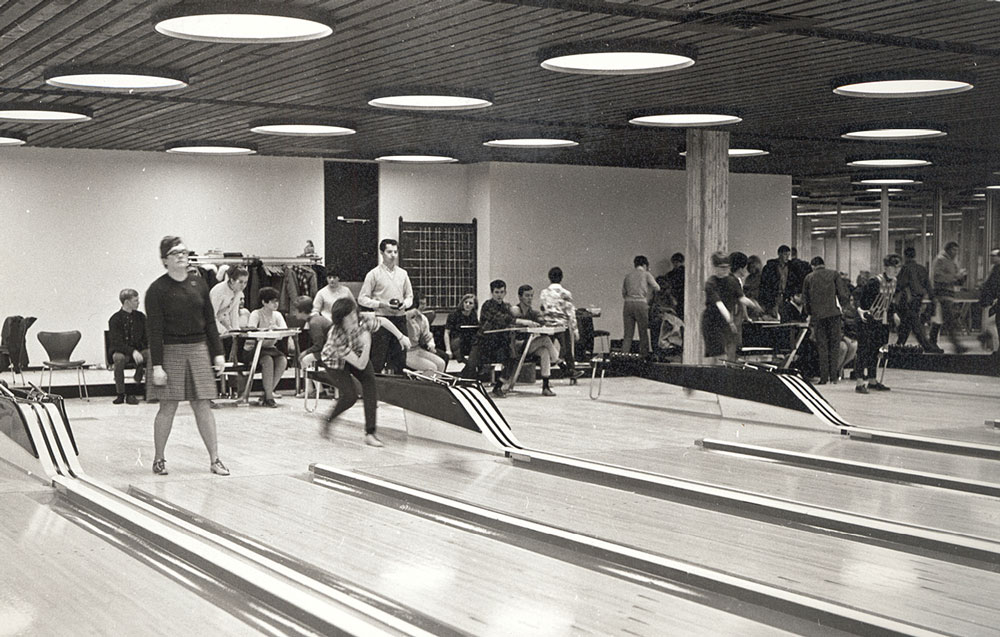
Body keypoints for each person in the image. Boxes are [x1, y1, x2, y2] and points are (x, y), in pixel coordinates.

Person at [145, 236, 229, 476]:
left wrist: (218, 354)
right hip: (170, 350)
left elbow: (210, 322)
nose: (181, 255)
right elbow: (154, 330)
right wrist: (157, 366)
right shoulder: (156, 290)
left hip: (198, 348)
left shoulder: (199, 284)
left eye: (183, 251)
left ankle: (215, 459)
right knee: (168, 406)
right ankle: (159, 459)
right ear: (165, 260)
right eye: (175, 253)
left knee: (202, 404)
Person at [319, 297, 410, 446]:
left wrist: (401, 337)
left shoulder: (362, 320)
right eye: (348, 317)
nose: (354, 318)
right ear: (340, 320)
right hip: (335, 363)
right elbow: (360, 365)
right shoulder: (336, 337)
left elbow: (384, 322)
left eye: (354, 313)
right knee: (350, 396)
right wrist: (367, 343)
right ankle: (327, 421)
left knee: (370, 388)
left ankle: (370, 433)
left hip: (357, 353)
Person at [462, 279, 536, 397]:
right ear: (492, 293)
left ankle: (498, 387)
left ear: (505, 292)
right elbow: (499, 318)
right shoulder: (487, 305)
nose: (499, 295)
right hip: (483, 343)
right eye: (497, 292)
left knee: (511, 358)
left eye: (502, 292)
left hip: (498, 344)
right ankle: (462, 388)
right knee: (471, 365)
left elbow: (510, 319)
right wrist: (520, 321)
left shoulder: (507, 307)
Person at [358, 239, 413, 374]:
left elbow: (410, 297)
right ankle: (375, 390)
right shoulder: (373, 274)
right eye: (389, 252)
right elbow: (362, 299)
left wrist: (404, 305)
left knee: (400, 358)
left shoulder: (403, 274)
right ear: (382, 253)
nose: (393, 255)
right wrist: (381, 304)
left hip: (400, 319)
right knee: (378, 358)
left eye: (395, 252)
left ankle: (398, 392)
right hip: (381, 320)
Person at [855, 254, 900, 394]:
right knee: (863, 350)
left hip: (881, 320)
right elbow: (863, 301)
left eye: (898, 267)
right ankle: (859, 382)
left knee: (875, 350)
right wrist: (865, 314)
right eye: (894, 267)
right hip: (867, 319)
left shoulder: (894, 282)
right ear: (887, 267)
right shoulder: (875, 282)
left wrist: (893, 313)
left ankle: (872, 380)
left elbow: (889, 300)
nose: (897, 270)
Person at [802, 256, 851, 385]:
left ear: (813, 266)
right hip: (834, 315)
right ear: (823, 264)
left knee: (822, 347)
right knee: (834, 345)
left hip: (818, 317)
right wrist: (842, 308)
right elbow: (843, 294)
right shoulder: (834, 274)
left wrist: (810, 313)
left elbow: (805, 300)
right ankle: (834, 377)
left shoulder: (809, 277)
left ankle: (824, 378)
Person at [243, 286, 289, 407]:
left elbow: (284, 331)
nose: (276, 304)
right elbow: (252, 332)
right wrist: (268, 330)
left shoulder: (278, 315)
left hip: (270, 348)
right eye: (272, 301)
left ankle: (267, 393)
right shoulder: (256, 314)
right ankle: (269, 397)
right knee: (267, 361)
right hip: (255, 349)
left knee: (282, 360)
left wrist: (275, 330)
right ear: (264, 302)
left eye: (277, 301)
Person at [511, 284, 560, 396]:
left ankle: (545, 386)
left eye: (531, 296)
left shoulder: (532, 313)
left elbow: (541, 321)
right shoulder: (515, 310)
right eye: (527, 295)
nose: (529, 298)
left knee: (545, 351)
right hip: (516, 346)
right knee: (545, 339)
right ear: (520, 297)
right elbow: (511, 323)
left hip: (527, 345)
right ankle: (560, 363)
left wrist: (547, 322)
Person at [701, 251, 749, 363]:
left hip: (726, 321)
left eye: (726, 267)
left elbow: (741, 298)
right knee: (717, 356)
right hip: (713, 321)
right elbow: (719, 304)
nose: (724, 271)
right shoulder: (711, 283)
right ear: (715, 268)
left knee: (728, 353)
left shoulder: (731, 281)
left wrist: (753, 305)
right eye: (721, 268)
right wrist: (730, 321)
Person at [108, 288, 148, 405]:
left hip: (139, 350)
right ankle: (120, 393)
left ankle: (149, 391)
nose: (138, 303)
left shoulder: (141, 317)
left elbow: (146, 337)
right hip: (123, 351)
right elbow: (116, 342)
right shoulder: (115, 319)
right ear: (127, 302)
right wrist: (132, 351)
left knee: (150, 355)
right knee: (118, 358)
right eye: (135, 300)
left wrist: (140, 350)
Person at [540, 267, 581, 379]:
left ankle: (546, 376)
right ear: (561, 278)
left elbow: (543, 309)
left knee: (547, 350)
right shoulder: (565, 293)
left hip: (548, 325)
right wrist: (575, 329)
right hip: (561, 325)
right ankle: (572, 372)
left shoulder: (544, 293)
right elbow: (570, 313)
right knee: (567, 350)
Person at [895, 247, 938, 352]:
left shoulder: (905, 269)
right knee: (909, 324)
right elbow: (928, 285)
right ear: (914, 255)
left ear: (905, 256)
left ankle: (927, 346)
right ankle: (898, 346)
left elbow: (900, 285)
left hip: (908, 301)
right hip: (918, 300)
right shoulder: (922, 269)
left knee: (913, 324)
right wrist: (932, 299)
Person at [930, 241, 968, 354]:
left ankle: (932, 342)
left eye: (956, 250)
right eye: (953, 250)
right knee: (948, 320)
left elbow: (956, 280)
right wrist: (955, 277)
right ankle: (956, 345)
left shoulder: (953, 262)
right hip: (942, 294)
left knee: (940, 319)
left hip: (949, 294)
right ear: (947, 249)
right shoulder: (940, 260)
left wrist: (962, 278)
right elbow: (937, 277)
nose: (955, 252)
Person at [622, 255, 660, 356]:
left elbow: (623, 293)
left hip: (628, 304)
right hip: (641, 303)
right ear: (644, 265)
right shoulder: (646, 274)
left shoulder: (628, 275)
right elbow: (657, 287)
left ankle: (623, 356)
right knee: (643, 333)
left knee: (628, 335)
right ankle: (644, 357)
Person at [404, 293, 446, 372]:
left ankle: (434, 384)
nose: (422, 306)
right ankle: (425, 384)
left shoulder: (423, 319)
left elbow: (427, 335)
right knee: (432, 368)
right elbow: (413, 335)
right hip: (407, 352)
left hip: (417, 349)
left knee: (441, 363)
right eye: (420, 304)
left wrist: (431, 345)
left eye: (424, 304)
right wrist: (411, 317)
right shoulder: (405, 318)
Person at [210, 266, 249, 334]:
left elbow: (234, 314)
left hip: (223, 323)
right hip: (210, 325)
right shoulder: (219, 291)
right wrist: (224, 331)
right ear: (232, 280)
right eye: (240, 282)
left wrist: (236, 331)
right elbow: (211, 316)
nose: (243, 285)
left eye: (245, 282)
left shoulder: (238, 292)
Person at [444, 294, 478, 364]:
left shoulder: (473, 315)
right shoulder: (453, 315)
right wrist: (448, 349)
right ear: (462, 303)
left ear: (474, 305)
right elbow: (446, 333)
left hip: (468, 341)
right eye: (466, 302)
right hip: (456, 341)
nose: (467, 304)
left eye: (470, 303)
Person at [759, 245, 791, 318]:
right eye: (785, 254)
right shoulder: (770, 268)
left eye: (788, 255)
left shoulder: (790, 267)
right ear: (779, 254)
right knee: (773, 316)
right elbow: (764, 284)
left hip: (784, 296)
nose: (787, 257)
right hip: (773, 296)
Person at [979, 248, 1000, 353]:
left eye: (993, 255)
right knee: (990, 324)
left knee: (991, 324)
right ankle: (992, 346)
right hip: (990, 301)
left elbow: (993, 285)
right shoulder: (994, 268)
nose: (991, 257)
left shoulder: (997, 269)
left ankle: (995, 347)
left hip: (992, 301)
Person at [665, 253, 685, 318]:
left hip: (680, 295)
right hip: (676, 295)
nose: (676, 264)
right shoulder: (670, 274)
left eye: (678, 262)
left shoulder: (684, 272)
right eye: (674, 262)